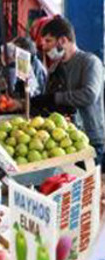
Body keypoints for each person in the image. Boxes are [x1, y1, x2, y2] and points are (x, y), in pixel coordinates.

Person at [31, 16, 105, 163]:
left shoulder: (90, 62)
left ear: (63, 40)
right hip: (63, 142)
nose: (44, 47)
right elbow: (49, 99)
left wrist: (55, 98)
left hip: (90, 139)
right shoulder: (54, 68)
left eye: (48, 41)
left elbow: (89, 95)